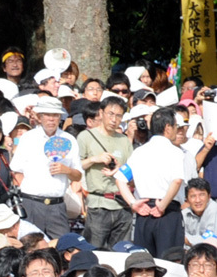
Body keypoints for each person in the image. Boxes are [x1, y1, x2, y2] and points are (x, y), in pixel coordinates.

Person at [115, 107, 196, 257]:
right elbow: (177, 180)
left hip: (143, 211)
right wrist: (163, 205)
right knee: (170, 262)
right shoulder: (175, 152)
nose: (176, 130)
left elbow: (120, 178)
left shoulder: (139, 152)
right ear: (167, 127)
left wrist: (133, 203)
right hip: (167, 212)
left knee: (144, 262)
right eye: (175, 126)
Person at [10, 96, 83, 239]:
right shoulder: (28, 138)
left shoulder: (69, 140)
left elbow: (78, 175)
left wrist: (66, 170)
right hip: (31, 203)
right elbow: (16, 171)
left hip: (57, 205)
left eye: (55, 115)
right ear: (39, 117)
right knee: (30, 246)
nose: (51, 119)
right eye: (47, 115)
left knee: (61, 246)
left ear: (60, 117)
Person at [78, 96, 133, 249]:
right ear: (101, 113)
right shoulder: (86, 137)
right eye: (110, 114)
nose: (114, 119)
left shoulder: (124, 140)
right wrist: (95, 159)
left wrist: (120, 168)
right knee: (95, 251)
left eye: (119, 115)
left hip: (122, 204)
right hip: (98, 204)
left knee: (121, 251)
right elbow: (77, 166)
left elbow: (133, 171)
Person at [183, 177, 217, 245]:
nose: (198, 200)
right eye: (193, 196)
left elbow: (211, 241)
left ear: (209, 196)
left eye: (202, 195)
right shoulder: (183, 214)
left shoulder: (214, 209)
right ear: (187, 199)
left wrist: (188, 241)